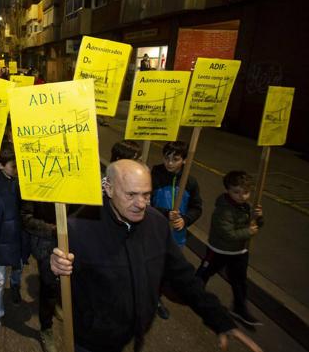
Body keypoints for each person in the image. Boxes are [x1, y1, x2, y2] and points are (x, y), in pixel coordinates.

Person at [50, 160, 263, 352]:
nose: (141, 203)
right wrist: (54, 269)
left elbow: (183, 277)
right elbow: (54, 281)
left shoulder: (156, 223)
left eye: (146, 194)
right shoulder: (78, 228)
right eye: (131, 195)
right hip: (92, 341)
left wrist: (218, 318)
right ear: (109, 188)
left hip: (135, 336)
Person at [196, 171, 265, 326]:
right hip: (219, 250)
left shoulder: (246, 207)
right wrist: (248, 232)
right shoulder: (223, 209)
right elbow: (227, 233)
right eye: (237, 192)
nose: (242, 196)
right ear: (228, 190)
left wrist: (258, 218)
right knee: (204, 273)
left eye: (246, 192)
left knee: (239, 281)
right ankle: (194, 294)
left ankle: (240, 308)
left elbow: (255, 225)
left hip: (240, 251)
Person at [150, 140, 203, 319]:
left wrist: (185, 220)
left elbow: (197, 207)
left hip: (176, 236)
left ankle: (158, 296)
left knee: (167, 268)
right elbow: (145, 203)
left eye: (176, 159)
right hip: (155, 231)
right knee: (152, 266)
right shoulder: (154, 174)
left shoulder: (191, 182)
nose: (170, 163)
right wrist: (165, 214)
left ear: (185, 160)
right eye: (167, 158)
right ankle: (151, 297)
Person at [0, 143, 28, 342]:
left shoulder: (22, 180)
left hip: (20, 235)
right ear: (0, 166)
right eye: (13, 166)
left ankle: (16, 285)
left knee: (18, 266)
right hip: (2, 237)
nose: (17, 170)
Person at [22, 200, 70, 352]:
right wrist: (53, 230)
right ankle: (46, 328)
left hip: (69, 239)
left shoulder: (71, 180)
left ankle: (55, 304)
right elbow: (26, 218)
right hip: (45, 244)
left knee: (63, 280)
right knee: (49, 285)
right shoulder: (35, 183)